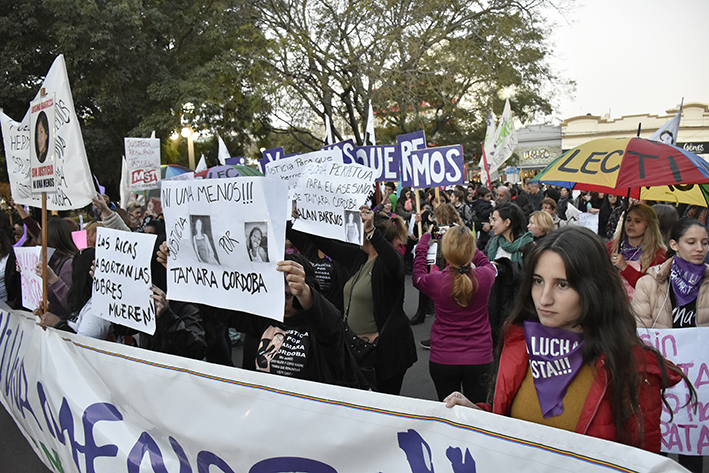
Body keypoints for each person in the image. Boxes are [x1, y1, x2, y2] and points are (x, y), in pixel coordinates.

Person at [444, 226, 694, 453]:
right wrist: (478, 415)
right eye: (538, 281)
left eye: (562, 284)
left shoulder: (634, 370)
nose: (544, 299)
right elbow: (515, 426)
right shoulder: (519, 344)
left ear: (593, 288)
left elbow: (641, 460)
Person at [288, 207, 417, 394]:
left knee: (384, 405)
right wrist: (304, 220)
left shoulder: (388, 263)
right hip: (358, 350)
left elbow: (394, 261)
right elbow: (327, 245)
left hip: (385, 352)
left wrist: (371, 231)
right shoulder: (360, 257)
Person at [633, 218, 708, 472]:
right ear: (674, 245)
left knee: (693, 451)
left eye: (705, 243)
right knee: (658, 447)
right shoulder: (649, 284)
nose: (700, 248)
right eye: (692, 242)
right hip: (660, 381)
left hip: (700, 384)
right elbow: (640, 333)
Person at [413, 225, 496, 402]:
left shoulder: (436, 281)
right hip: (480, 357)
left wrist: (425, 240)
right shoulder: (486, 276)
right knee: (477, 413)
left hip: (443, 358)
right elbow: (485, 262)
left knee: (447, 413)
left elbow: (417, 275)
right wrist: (465, 245)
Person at [608, 204, 666, 299]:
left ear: (648, 225)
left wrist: (625, 267)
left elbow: (649, 288)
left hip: (640, 306)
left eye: (637, 221)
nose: (631, 224)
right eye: (628, 220)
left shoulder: (658, 254)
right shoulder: (612, 246)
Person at [34, 217, 79, 318]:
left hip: (64, 328)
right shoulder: (53, 261)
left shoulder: (68, 264)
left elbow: (71, 305)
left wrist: (53, 279)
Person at [486, 203, 534, 269]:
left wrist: (503, 269)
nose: (491, 224)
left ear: (507, 222)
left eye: (495, 220)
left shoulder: (527, 246)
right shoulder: (494, 242)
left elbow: (528, 274)